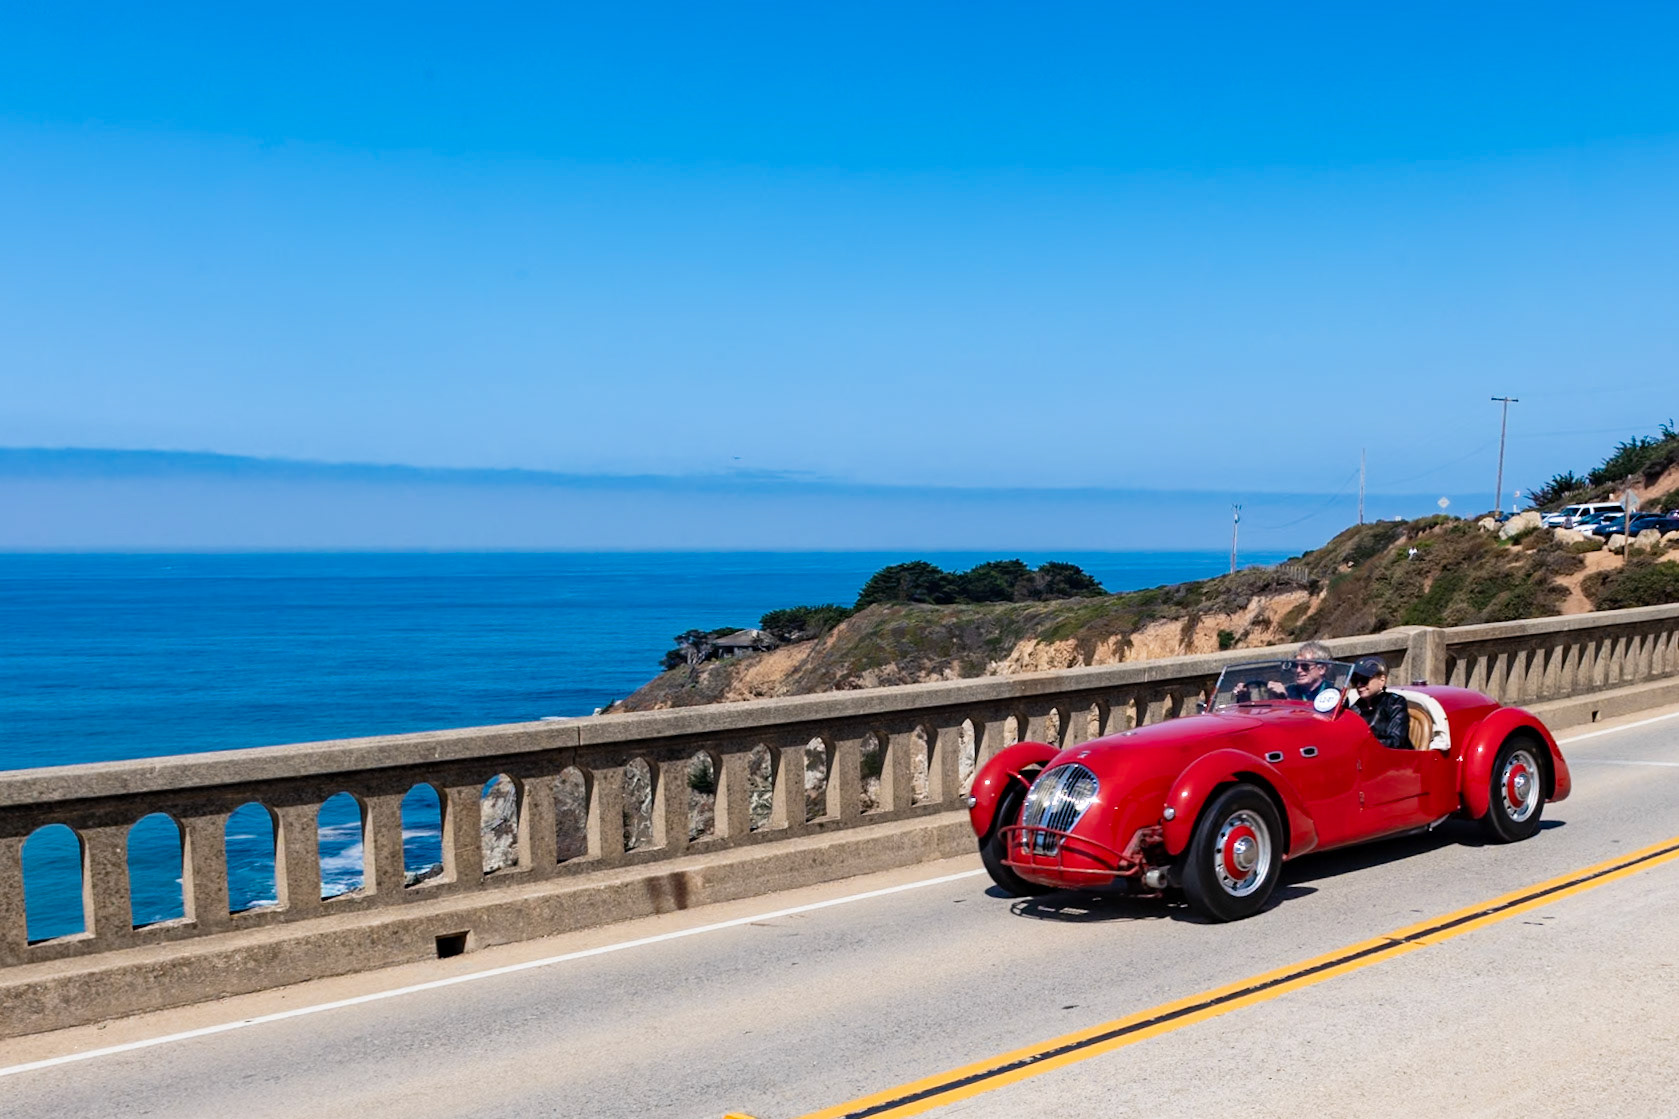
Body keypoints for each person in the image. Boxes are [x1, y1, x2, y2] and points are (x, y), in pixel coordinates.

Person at [1350, 656, 1410, 749]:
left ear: (1382, 680)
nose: (1359, 685)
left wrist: (1364, 743)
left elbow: (1396, 741)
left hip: (1393, 759)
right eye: (1355, 680)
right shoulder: (1355, 707)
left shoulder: (1395, 703)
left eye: (1364, 680)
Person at [1269, 640, 1335, 701]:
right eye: (1295, 665)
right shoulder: (1288, 691)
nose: (1298, 670)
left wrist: (1287, 699)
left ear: (1321, 669)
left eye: (1305, 666)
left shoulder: (1333, 695)